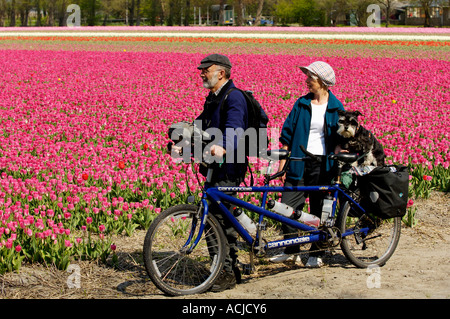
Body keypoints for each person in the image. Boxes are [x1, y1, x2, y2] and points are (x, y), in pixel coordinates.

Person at [269, 61, 345, 268]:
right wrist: (282, 165)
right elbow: (287, 135)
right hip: (298, 162)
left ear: (322, 82)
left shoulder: (337, 108)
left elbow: (341, 140)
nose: (306, 81)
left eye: (310, 78)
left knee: (319, 210)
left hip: (323, 164)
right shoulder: (301, 104)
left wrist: (338, 159)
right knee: (286, 206)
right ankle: (291, 250)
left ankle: (316, 251)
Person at [195, 54, 249, 291]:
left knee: (222, 220)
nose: (202, 73)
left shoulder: (234, 96)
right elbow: (201, 124)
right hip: (212, 166)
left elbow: (235, 127)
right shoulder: (213, 97)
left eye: (206, 70)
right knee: (211, 219)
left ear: (222, 72)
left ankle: (226, 271)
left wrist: (223, 145)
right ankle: (224, 267)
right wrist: (182, 138)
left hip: (229, 166)